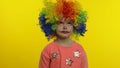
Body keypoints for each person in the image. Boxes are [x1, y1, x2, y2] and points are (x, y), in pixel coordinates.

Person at [38, 0, 88, 68]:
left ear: (76, 26)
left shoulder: (80, 49)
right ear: (52, 25)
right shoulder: (48, 50)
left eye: (69, 23)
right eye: (60, 23)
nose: (65, 27)